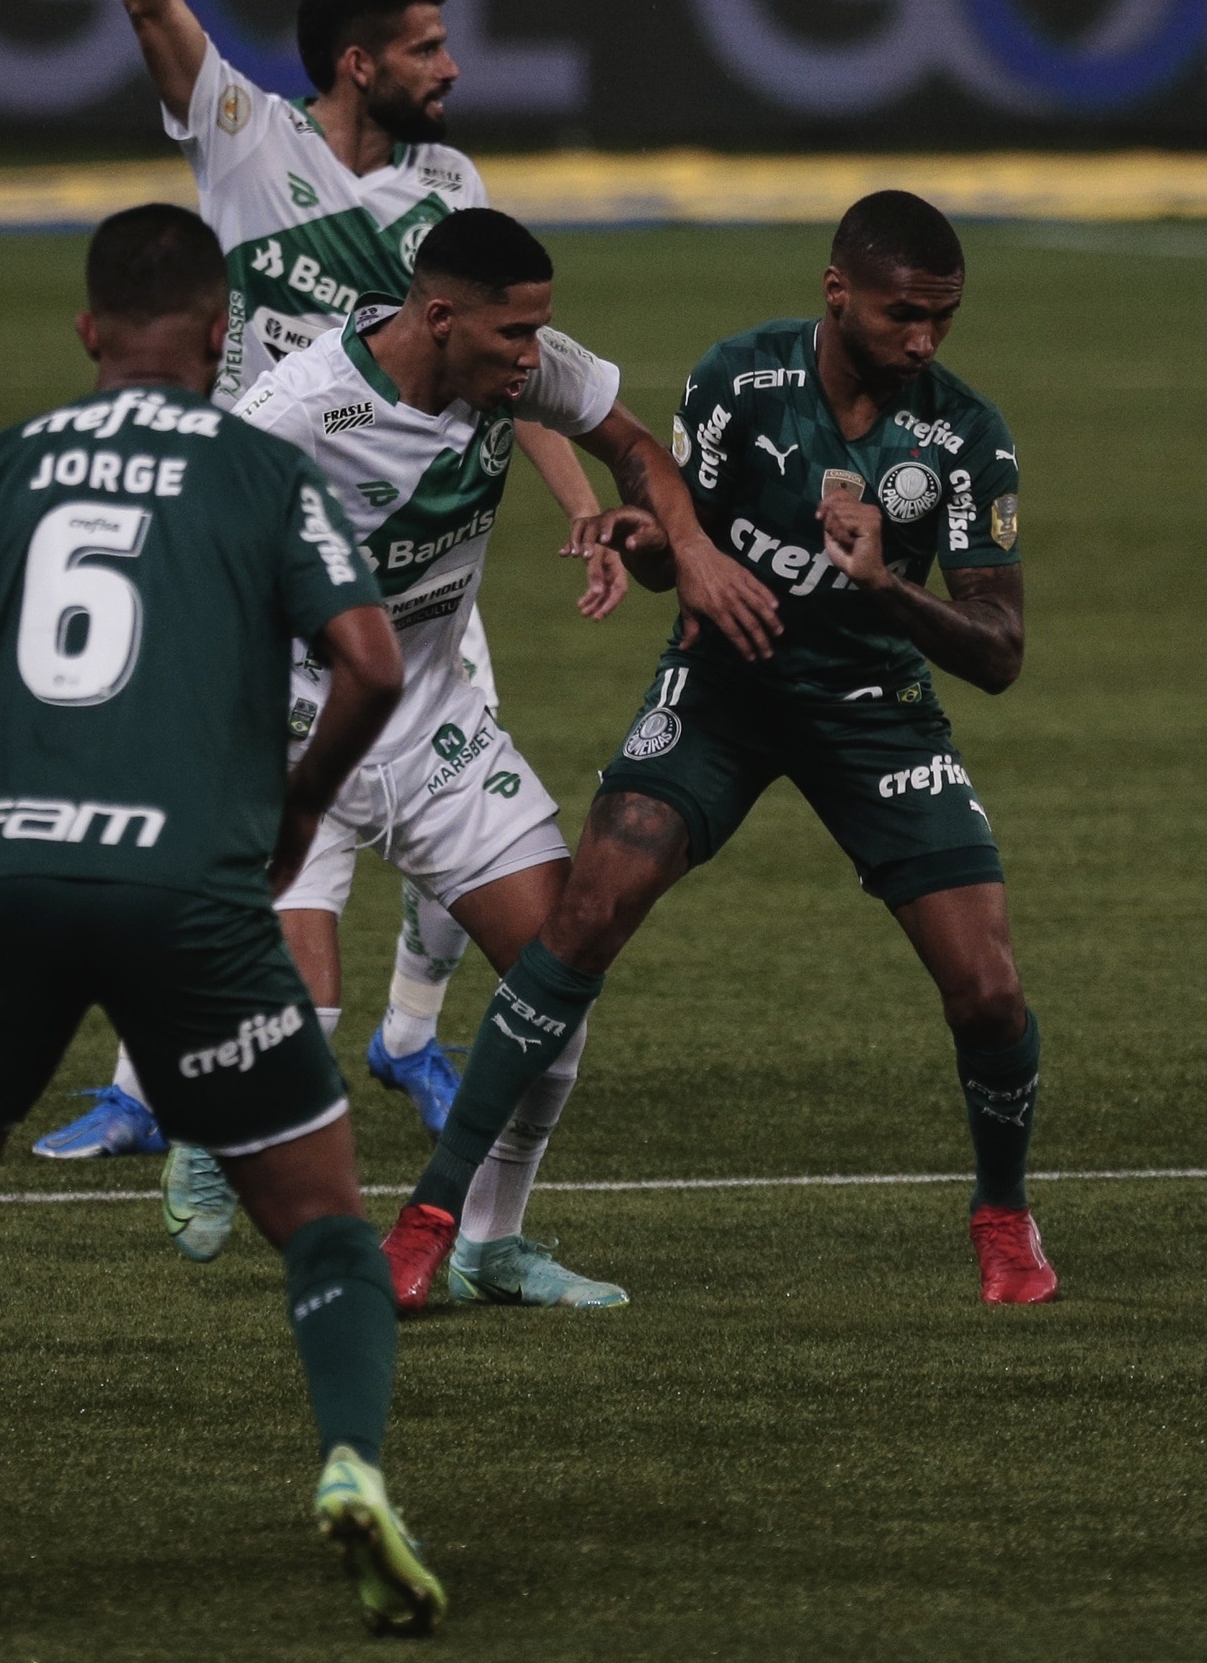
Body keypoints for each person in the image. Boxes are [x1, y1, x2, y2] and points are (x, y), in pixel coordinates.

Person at [0, 206, 447, 1637]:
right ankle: (352, 1464)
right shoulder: (260, 468)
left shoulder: (4, 463)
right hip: (188, 893)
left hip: (7, 885)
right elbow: (370, 661)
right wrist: (301, 806)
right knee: (318, 1216)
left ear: (85, 335)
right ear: (217, 338)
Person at [31, 0, 619, 1183]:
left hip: (418, 554)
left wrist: (569, 497)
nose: (453, 68)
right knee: (253, 843)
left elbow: (515, 361)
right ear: (357, 64)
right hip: (268, 552)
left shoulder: (449, 182)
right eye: (428, 47)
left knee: (422, 819)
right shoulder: (248, 141)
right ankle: (174, 1092)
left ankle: (398, 1053)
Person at [380, 191, 1059, 1312]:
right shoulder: (740, 382)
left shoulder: (966, 437)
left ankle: (1002, 1211)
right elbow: (677, 550)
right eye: (903, 314)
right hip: (725, 682)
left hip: (872, 704)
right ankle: (431, 1214)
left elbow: (999, 652)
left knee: (987, 988)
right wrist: (645, 540)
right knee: (586, 911)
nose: (924, 340)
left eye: (943, 317)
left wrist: (887, 587)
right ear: (837, 291)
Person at [209, 205, 781, 1308]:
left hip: (434, 731)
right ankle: (218, 1132)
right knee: (297, 1018)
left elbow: (639, 449)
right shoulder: (292, 413)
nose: (533, 358)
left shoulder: (524, 373)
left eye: (540, 334)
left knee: (558, 972)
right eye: (513, 334)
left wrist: (688, 548)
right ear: (437, 318)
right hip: (298, 733)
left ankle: (490, 1240)